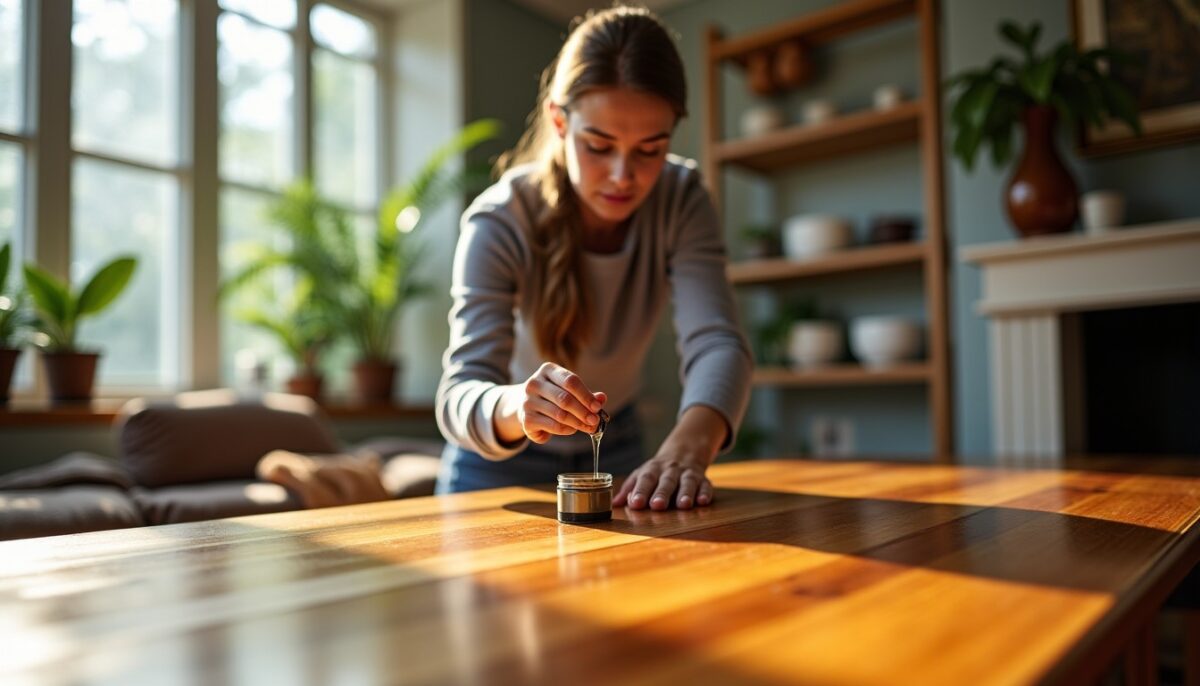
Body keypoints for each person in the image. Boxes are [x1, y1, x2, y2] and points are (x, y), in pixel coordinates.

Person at [434, 5, 752, 511]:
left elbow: (717, 341)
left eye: (650, 149)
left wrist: (686, 451)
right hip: (494, 469)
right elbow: (458, 396)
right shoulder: (499, 217)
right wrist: (518, 405)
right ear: (560, 122)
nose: (623, 175)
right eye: (599, 145)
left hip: (618, 450)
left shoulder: (683, 196)